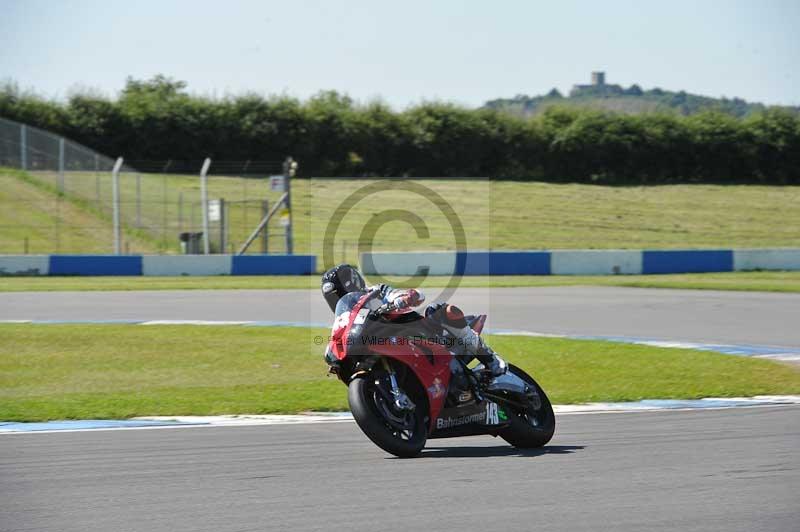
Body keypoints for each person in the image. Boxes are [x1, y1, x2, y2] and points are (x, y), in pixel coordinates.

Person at [321, 264, 507, 377]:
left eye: (338, 294)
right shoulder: (343, 322)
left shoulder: (376, 292)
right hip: (384, 349)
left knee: (441, 310)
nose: (337, 300)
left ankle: (489, 357)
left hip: (416, 334)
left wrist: (403, 298)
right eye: (332, 298)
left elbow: (415, 295)